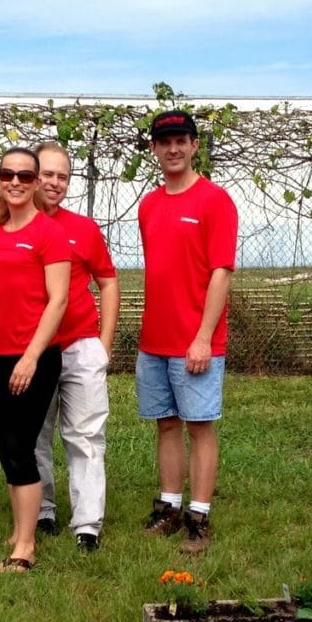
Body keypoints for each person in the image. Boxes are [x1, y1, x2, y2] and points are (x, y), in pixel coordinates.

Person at [137, 110, 238, 554]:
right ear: (155, 149)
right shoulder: (149, 205)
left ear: (195, 145)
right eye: (164, 142)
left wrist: (202, 337)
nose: (173, 148)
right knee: (165, 425)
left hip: (195, 341)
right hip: (154, 341)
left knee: (199, 425)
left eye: (181, 140)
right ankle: (169, 505)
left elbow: (220, 273)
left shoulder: (215, 201)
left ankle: (199, 516)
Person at [0, 147, 70, 572]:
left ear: (35, 183)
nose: (15, 181)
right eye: (7, 174)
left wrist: (30, 358)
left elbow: (58, 301)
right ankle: (18, 528)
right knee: (5, 448)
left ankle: (25, 547)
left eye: (25, 176)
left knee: (20, 448)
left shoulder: (50, 234)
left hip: (34, 358)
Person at [32, 142, 119, 553]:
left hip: (81, 345)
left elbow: (108, 280)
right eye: (47, 173)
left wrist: (103, 343)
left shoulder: (83, 228)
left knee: (85, 435)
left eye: (62, 176)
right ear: (33, 175)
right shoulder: (11, 225)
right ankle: (42, 509)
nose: (54, 182)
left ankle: (87, 525)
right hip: (32, 348)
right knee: (35, 435)